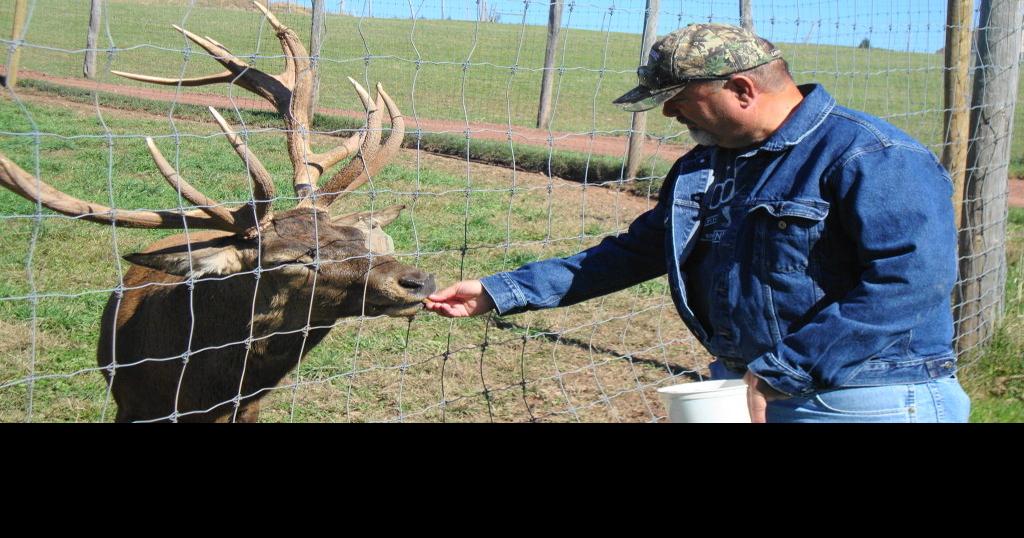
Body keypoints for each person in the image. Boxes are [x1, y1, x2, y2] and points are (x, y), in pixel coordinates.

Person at [424, 23, 970, 423]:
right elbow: (636, 251)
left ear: (741, 89)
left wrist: (786, 370)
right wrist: (503, 291)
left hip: (864, 399)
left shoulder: (871, 155)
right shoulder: (706, 164)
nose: (668, 115)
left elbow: (910, 284)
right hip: (749, 386)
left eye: (679, 99)